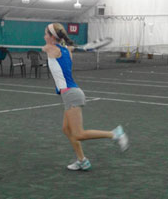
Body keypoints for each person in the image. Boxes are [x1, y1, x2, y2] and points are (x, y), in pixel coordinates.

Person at [42, 23, 129, 171]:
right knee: (66, 129)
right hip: (70, 94)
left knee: (79, 134)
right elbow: (63, 46)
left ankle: (115, 134)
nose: (44, 37)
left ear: (52, 37)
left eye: (46, 34)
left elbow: (45, 48)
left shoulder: (51, 48)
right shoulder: (66, 50)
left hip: (71, 95)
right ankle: (82, 160)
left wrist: (55, 44)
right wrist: (68, 45)